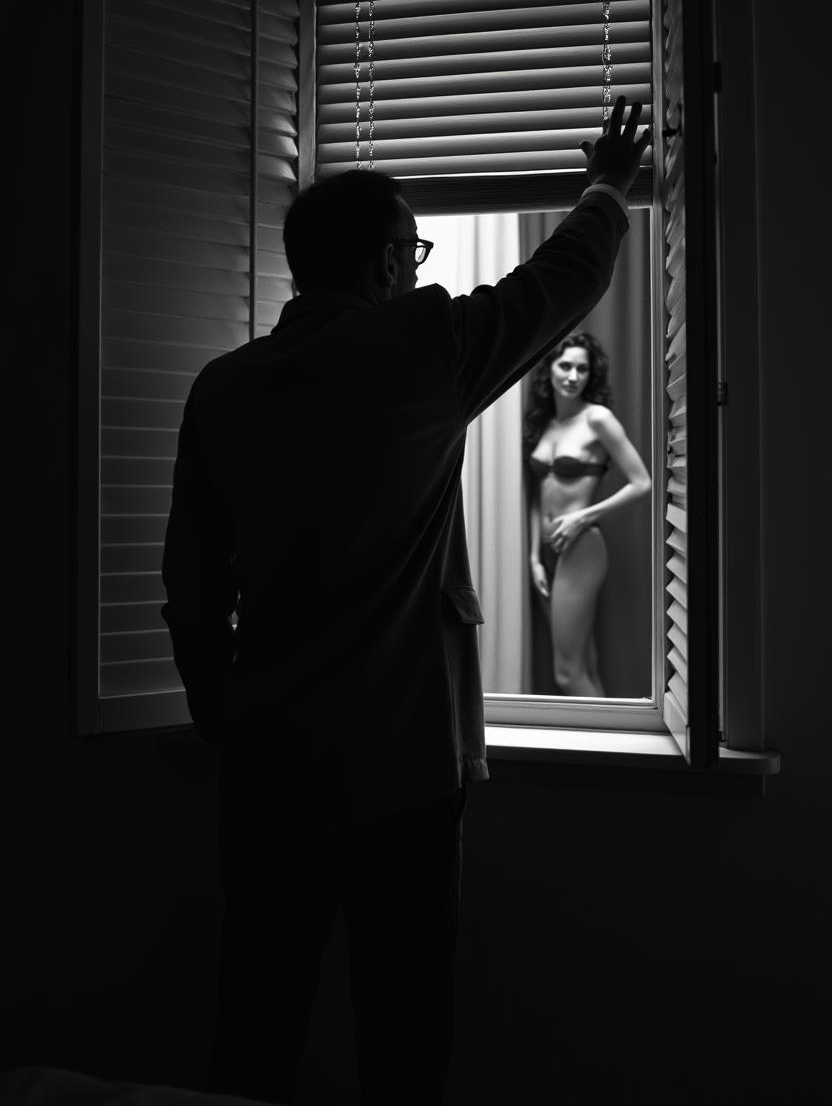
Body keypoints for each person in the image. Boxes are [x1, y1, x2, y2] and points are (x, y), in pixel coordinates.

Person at [160, 96, 651, 1105]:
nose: (418, 267)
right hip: (401, 765)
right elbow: (561, 282)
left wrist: (224, 711)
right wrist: (605, 186)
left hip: (270, 767)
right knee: (405, 1022)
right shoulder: (422, 347)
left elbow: (190, 583)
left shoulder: (224, 387)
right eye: (414, 248)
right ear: (387, 263)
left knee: (255, 1020)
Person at [524, 332, 652, 697]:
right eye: (565, 366)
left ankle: (616, 753)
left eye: (582, 369)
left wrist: (582, 517)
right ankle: (613, 748)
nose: (573, 376)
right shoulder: (546, 424)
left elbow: (642, 483)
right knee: (584, 665)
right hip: (548, 554)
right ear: (549, 369)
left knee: (567, 674)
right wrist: (534, 556)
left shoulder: (597, 419)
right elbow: (538, 494)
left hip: (581, 548)